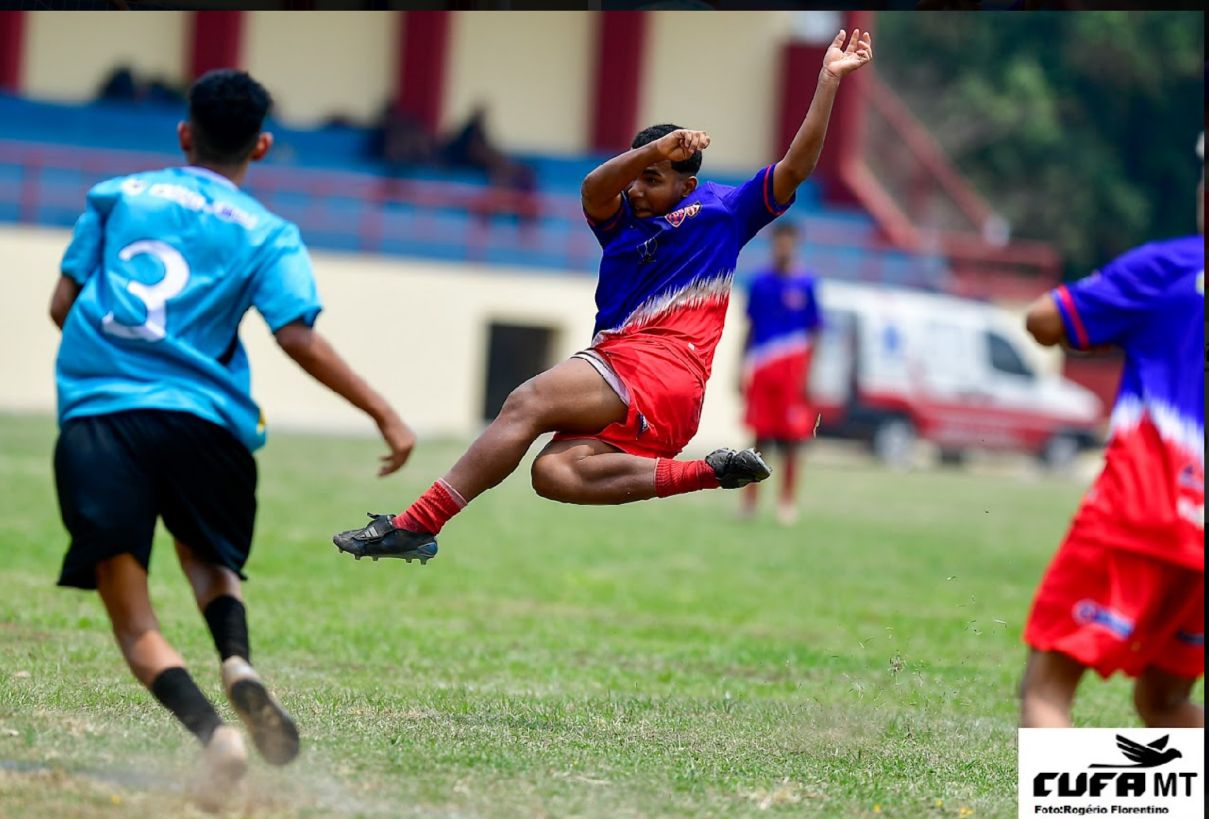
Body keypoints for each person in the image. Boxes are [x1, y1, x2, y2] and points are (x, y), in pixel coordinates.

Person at [332, 29, 873, 562]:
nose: (636, 188)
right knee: (553, 474)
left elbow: (797, 165)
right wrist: (651, 152)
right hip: (645, 384)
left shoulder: (724, 213)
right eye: (635, 173)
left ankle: (416, 523)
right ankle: (709, 472)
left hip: (666, 365)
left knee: (528, 401)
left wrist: (826, 81)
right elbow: (593, 187)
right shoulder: (619, 221)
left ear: (687, 184)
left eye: (653, 177)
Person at [49, 69, 415, 800]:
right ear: (264, 144)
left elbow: (63, 304)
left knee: (133, 617)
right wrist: (384, 411)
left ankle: (213, 736)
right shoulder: (269, 232)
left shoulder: (117, 196)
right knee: (209, 559)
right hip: (207, 425)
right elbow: (298, 338)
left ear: (184, 134)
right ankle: (238, 662)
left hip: (100, 415)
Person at [1016, 132, 1204, 729]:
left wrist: (1104, 310)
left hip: (1141, 514)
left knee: (1046, 690)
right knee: (1164, 701)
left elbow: (1045, 320)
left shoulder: (1170, 268)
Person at [739, 221, 823, 525]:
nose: (783, 246)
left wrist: (810, 375)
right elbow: (749, 327)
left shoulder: (807, 284)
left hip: (793, 373)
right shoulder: (759, 282)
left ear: (796, 243)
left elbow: (816, 332)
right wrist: (740, 367)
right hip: (764, 369)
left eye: (788, 241)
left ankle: (786, 503)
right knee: (759, 438)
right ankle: (749, 501)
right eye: (779, 241)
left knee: (791, 441)